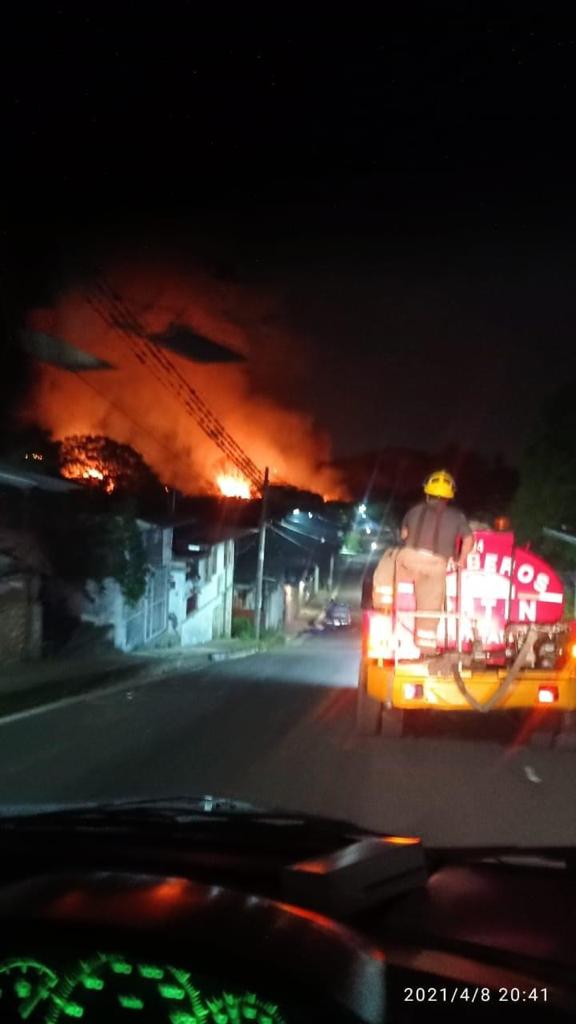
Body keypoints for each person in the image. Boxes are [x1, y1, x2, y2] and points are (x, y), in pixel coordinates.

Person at [397, 470, 473, 656]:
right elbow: (469, 539)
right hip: (435, 565)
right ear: (450, 494)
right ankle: (426, 648)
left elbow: (404, 535)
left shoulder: (414, 510)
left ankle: (383, 600)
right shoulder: (457, 516)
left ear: (427, 490)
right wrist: (461, 560)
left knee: (388, 562)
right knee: (429, 609)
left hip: (409, 560)